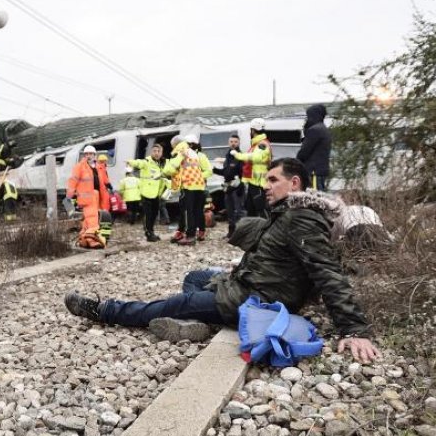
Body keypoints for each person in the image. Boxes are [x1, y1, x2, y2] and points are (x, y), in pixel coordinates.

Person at [64, 158, 381, 364]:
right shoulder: (288, 213)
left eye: (273, 180)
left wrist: (354, 328)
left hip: (254, 299)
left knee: (174, 302)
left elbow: (327, 271)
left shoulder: (301, 219)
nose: (265, 185)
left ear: (294, 183)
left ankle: (104, 311)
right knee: (195, 275)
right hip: (245, 283)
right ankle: (198, 325)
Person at [168, 135, 213, 245]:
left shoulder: (198, 155)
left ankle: (193, 234)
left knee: (191, 211)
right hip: (192, 185)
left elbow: (209, 171)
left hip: (194, 186)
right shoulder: (189, 154)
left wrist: (197, 177)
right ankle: (182, 231)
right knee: (189, 211)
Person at [128, 143, 169, 242]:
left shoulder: (163, 163)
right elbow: (139, 163)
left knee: (154, 214)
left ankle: (152, 231)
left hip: (157, 194)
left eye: (159, 151)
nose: (157, 153)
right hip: (146, 193)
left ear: (161, 152)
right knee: (148, 214)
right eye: (155, 151)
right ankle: (148, 233)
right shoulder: (147, 161)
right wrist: (131, 162)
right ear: (151, 152)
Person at [234, 118, 272, 219]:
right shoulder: (256, 144)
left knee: (261, 209)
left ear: (253, 130)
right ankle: (252, 232)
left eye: (251, 130)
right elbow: (250, 164)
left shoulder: (262, 144)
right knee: (250, 210)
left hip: (260, 184)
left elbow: (256, 157)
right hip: (253, 183)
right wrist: (243, 181)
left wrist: (238, 155)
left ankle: (267, 231)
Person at [66, 145, 103, 246]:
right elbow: (73, 181)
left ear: (95, 155)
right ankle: (92, 241)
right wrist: (68, 197)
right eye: (86, 154)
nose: (88, 156)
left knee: (87, 221)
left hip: (96, 196)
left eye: (90, 154)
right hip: (87, 198)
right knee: (92, 219)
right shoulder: (80, 166)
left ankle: (83, 240)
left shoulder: (98, 167)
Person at [214, 134, 245, 238]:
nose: (233, 143)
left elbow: (243, 172)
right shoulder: (228, 156)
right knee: (229, 210)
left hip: (237, 186)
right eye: (231, 141)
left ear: (239, 143)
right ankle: (231, 232)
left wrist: (241, 185)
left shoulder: (240, 156)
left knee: (238, 211)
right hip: (228, 187)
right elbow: (225, 172)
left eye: (235, 141)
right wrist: (214, 170)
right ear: (228, 143)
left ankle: (241, 234)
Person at [297, 104, 332, 191]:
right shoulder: (323, 129)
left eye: (308, 116)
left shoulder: (314, 130)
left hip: (313, 171)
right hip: (320, 170)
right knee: (320, 196)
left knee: (314, 196)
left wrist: (297, 162)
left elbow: (304, 152)